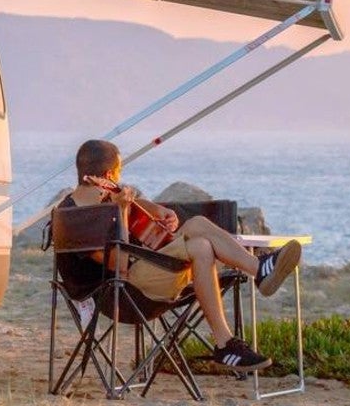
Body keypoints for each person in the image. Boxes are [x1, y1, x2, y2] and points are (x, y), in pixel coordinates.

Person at [59, 139, 301, 372]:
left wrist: (161, 211)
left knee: (196, 224)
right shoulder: (75, 218)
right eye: (120, 172)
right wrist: (121, 210)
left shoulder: (105, 198)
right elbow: (120, 264)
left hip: (143, 274)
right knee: (200, 247)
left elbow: (138, 210)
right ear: (110, 175)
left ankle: (258, 270)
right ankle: (225, 342)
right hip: (122, 293)